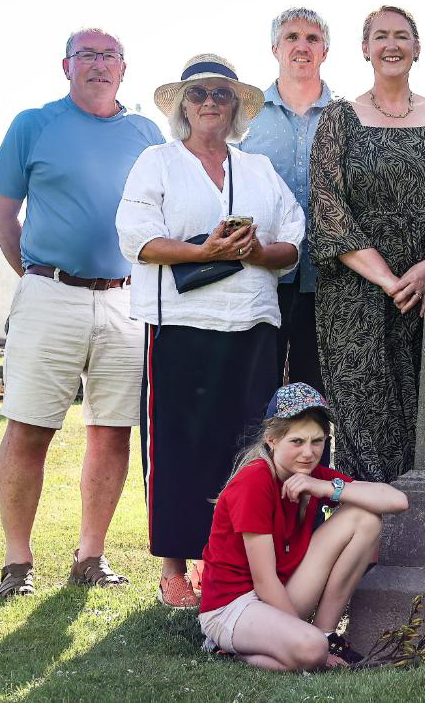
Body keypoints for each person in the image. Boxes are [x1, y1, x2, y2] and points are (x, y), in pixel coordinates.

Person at [116, 53, 305, 608]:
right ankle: (176, 570)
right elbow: (137, 237)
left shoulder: (259, 170)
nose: (209, 104)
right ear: (182, 106)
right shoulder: (158, 161)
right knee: (177, 446)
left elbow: (294, 238)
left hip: (252, 325)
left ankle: (236, 568)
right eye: (198, 94)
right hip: (180, 325)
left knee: (245, 446)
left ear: (235, 107)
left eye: (220, 94)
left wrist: (257, 249)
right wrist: (204, 250)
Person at [0, 27, 164, 597]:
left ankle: (91, 555)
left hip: (124, 298)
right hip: (50, 293)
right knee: (30, 427)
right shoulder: (32, 125)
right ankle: (17, 560)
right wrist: (36, 276)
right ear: (66, 65)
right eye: (86, 54)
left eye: (109, 55)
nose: (98, 64)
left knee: (112, 432)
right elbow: (1, 213)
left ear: (123, 69)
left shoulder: (145, 131)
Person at [310, 5, 425, 483]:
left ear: (418, 49)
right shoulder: (339, 120)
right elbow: (328, 209)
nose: (392, 45)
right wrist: (390, 281)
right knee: (367, 420)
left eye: (402, 36)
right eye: (380, 36)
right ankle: (368, 546)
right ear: (364, 49)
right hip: (358, 294)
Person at [197, 383, 409, 670]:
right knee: (311, 650)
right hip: (233, 606)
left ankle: (324, 633)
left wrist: (322, 486)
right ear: (271, 439)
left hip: (279, 592)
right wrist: (303, 636)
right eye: (296, 441)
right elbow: (264, 581)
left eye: (317, 441)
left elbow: (396, 500)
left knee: (366, 518)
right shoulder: (255, 481)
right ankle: (233, 646)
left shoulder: (310, 475)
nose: (308, 453)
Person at [239, 8, 333, 399]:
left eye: (312, 39)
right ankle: (257, 464)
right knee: (256, 394)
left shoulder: (347, 117)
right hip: (259, 276)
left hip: (326, 279)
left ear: (325, 51)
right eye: (292, 37)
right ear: (274, 47)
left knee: (317, 398)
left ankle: (318, 464)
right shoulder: (245, 116)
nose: (302, 46)